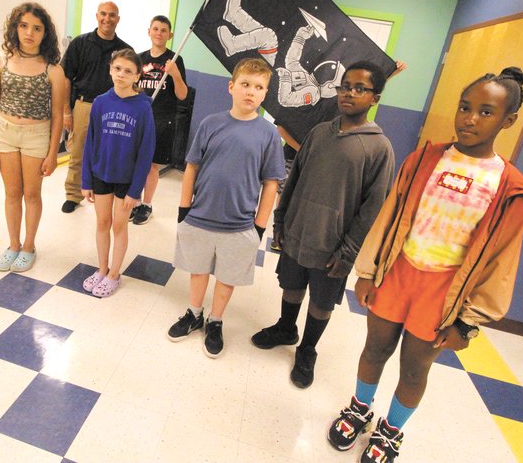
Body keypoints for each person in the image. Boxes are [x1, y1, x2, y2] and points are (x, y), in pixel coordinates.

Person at [326, 73, 523, 462]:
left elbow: (502, 262)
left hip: (443, 292)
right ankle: (360, 408)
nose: (470, 119)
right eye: (465, 107)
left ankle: (390, 432)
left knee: (414, 368)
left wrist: (469, 322)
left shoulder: (511, 188)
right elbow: (389, 217)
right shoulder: (425, 158)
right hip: (397, 273)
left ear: (508, 120)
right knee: (375, 347)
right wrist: (369, 271)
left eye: (486, 112)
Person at [252, 61, 395, 389]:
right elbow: (295, 178)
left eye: (360, 89)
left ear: (375, 98)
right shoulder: (319, 133)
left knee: (321, 299)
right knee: (291, 284)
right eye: (345, 86)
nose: (349, 93)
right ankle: (287, 328)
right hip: (300, 230)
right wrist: (281, 222)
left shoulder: (378, 147)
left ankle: (308, 349)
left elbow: (374, 207)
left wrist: (348, 251)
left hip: (334, 244)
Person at [167, 58, 285, 358]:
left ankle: (215, 320)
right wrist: (184, 209)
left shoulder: (269, 134)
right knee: (198, 269)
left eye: (259, 87)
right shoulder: (211, 124)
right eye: (245, 84)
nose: (251, 92)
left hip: (240, 224)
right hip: (201, 216)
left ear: (265, 94)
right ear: (231, 86)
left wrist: (259, 226)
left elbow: (271, 182)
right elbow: (192, 166)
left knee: (227, 278)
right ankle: (194, 313)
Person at [270, 60, 406, 252]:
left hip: (326, 159)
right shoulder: (303, 98)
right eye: (345, 87)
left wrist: (389, 72)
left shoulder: (341, 107)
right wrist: (305, 149)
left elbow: (367, 90)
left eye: (355, 89)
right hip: (296, 155)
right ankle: (281, 236)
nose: (349, 93)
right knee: (287, 191)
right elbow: (282, 127)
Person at [0, 2, 67, 272]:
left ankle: (29, 245)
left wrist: (53, 153)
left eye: (37, 28)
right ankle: (13, 244)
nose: (29, 33)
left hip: (36, 135)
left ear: (45, 34)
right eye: (23, 26)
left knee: (31, 193)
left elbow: (57, 115)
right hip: (5, 132)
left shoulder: (53, 70)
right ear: (15, 28)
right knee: (11, 192)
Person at [80, 49, 155, 298]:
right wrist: (86, 180)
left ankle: (114, 274)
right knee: (102, 223)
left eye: (128, 71)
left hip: (126, 180)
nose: (121, 74)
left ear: (137, 77)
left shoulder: (143, 107)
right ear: (111, 69)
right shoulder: (101, 102)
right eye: (118, 68)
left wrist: (137, 190)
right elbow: (90, 143)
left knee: (119, 226)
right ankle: (102, 269)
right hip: (101, 173)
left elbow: (146, 152)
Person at [60, 1, 132, 213]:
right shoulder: (80, 44)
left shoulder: (124, 50)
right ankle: (73, 195)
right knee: (78, 153)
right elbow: (66, 79)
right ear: (96, 15)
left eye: (112, 15)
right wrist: (66, 110)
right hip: (83, 105)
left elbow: (130, 83)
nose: (107, 19)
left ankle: (104, 193)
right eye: (103, 14)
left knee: (109, 152)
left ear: (118, 19)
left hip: (113, 108)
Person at [131, 15, 188, 225]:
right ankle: (135, 202)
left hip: (163, 119)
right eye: (155, 29)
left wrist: (175, 75)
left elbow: (182, 95)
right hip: (140, 117)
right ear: (149, 31)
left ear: (170, 35)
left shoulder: (175, 60)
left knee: (152, 165)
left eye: (163, 30)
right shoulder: (139, 58)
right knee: (136, 162)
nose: (159, 33)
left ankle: (146, 204)